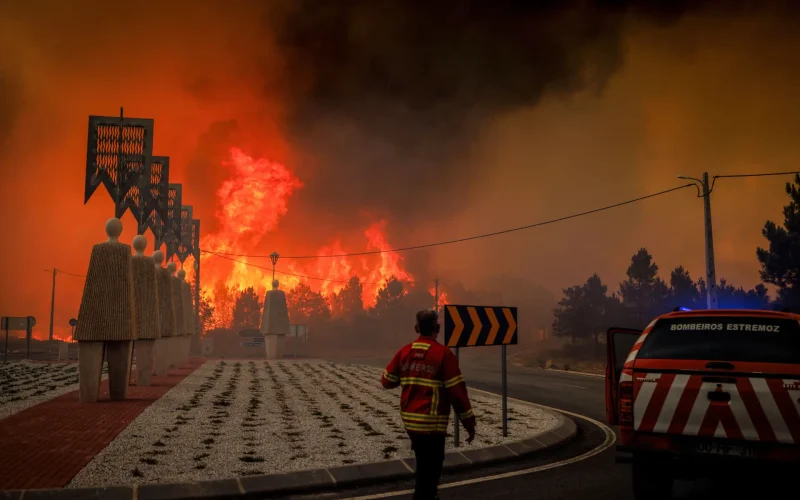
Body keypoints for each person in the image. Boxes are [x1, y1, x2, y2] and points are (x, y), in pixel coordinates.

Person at [381, 309, 476, 500]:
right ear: (438, 329)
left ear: (416, 328)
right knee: (429, 473)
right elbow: (457, 393)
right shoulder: (443, 355)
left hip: (410, 422)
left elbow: (387, 381)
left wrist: (409, 374)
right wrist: (469, 423)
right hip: (432, 425)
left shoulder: (404, 352)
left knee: (424, 467)